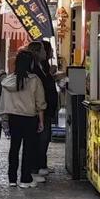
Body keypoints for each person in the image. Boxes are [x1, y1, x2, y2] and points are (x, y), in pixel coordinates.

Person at [0, 51, 47, 189]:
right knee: (28, 149)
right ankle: (25, 178)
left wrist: (5, 120)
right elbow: (40, 103)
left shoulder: (8, 81)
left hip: (14, 118)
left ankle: (12, 178)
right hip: (29, 118)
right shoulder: (34, 80)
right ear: (30, 63)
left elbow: (4, 103)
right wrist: (41, 122)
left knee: (14, 148)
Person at [28, 40, 60, 179]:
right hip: (40, 108)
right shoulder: (35, 68)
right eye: (46, 50)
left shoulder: (42, 66)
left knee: (44, 138)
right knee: (41, 137)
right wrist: (50, 75)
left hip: (45, 107)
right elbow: (42, 86)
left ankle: (41, 164)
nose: (48, 53)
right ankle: (37, 166)